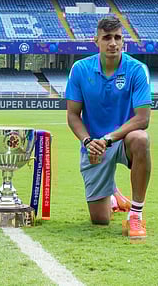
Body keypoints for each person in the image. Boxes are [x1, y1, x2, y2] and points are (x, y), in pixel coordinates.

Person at [65, 16, 152, 240]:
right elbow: (73, 115)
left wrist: (108, 139)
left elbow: (142, 119)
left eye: (117, 38)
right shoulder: (80, 69)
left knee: (141, 138)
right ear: (97, 41)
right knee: (100, 220)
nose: (112, 43)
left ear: (123, 41)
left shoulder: (137, 70)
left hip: (121, 141)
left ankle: (136, 215)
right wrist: (88, 142)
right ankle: (113, 194)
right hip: (94, 146)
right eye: (106, 38)